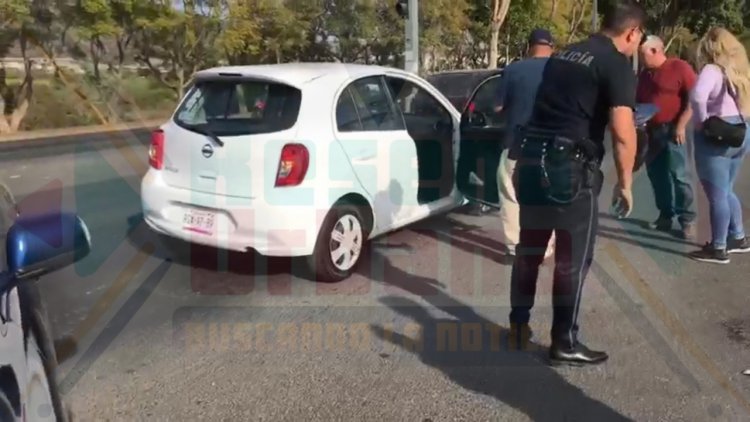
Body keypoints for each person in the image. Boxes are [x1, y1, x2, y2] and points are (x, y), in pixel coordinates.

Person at [508, 0, 645, 365]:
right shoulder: (615, 63)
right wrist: (626, 183)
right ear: (632, 32)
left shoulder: (564, 55)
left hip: (531, 157)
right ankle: (564, 341)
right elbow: (622, 132)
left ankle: (518, 325)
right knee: (572, 258)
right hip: (568, 165)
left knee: (529, 250)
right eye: (638, 38)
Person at [688, 27, 750, 264]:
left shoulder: (713, 70)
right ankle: (738, 237)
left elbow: (697, 96)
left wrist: (702, 122)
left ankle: (718, 247)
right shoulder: (739, 69)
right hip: (741, 132)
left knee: (716, 195)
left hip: (717, 135)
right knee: (727, 190)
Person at [494, 28, 556, 259]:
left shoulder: (513, 70)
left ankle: (514, 248)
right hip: (553, 145)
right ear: (552, 47)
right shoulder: (564, 71)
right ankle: (546, 247)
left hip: (516, 143)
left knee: (511, 193)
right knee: (548, 195)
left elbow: (497, 107)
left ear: (529, 46)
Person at [636, 35, 698, 239]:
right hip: (651, 131)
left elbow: (694, 98)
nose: (640, 58)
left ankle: (687, 219)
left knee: (680, 176)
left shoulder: (679, 68)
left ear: (655, 50)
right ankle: (665, 215)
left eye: (642, 54)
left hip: (673, 130)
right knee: (657, 175)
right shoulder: (645, 75)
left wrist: (680, 125)